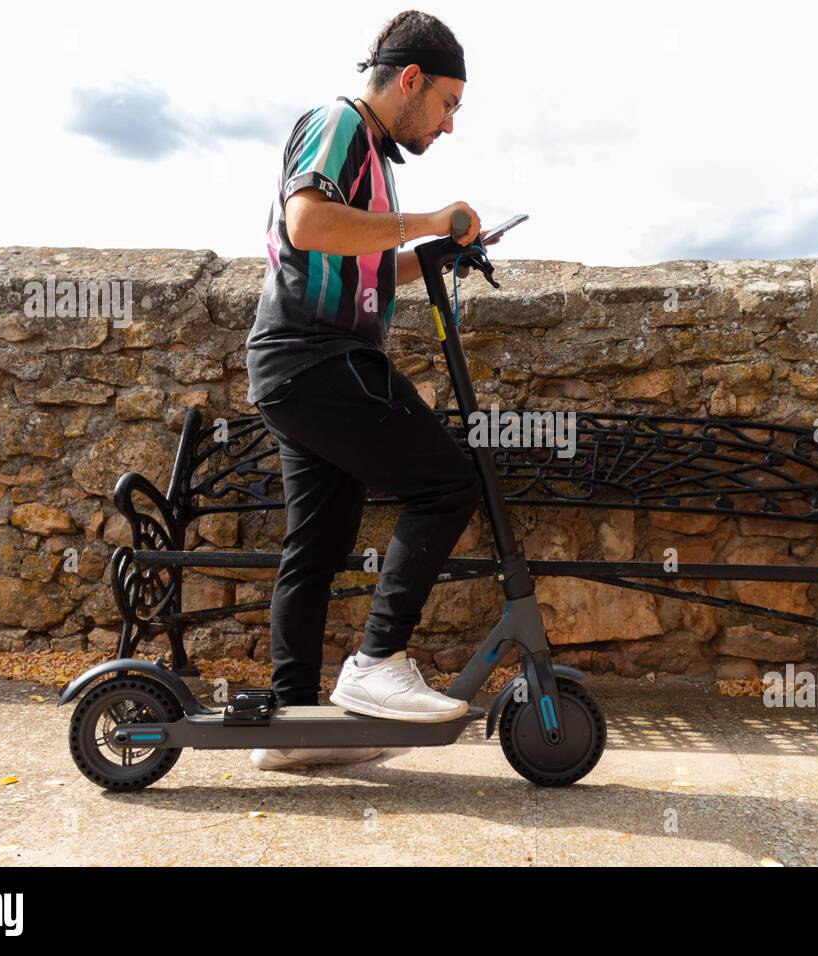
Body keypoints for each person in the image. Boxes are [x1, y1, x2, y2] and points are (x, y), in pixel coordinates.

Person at [244, 11, 484, 771]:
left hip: (297, 368)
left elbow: (364, 261)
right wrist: (420, 220)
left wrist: (431, 253)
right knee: (448, 482)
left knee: (316, 544)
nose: (448, 125)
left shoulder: (373, 157)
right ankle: (379, 660)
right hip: (318, 357)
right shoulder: (340, 124)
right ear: (409, 80)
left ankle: (288, 725)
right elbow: (309, 222)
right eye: (447, 103)